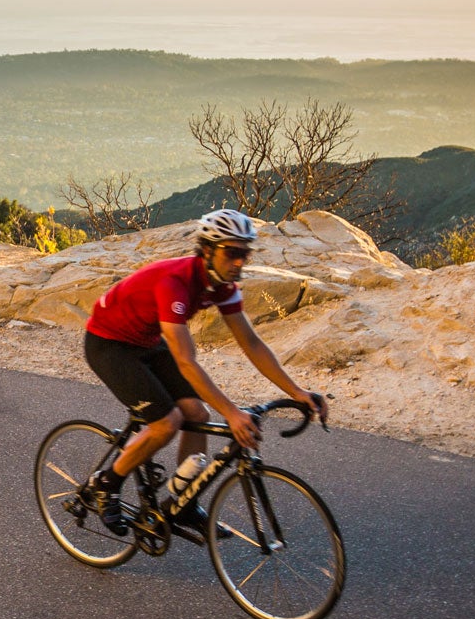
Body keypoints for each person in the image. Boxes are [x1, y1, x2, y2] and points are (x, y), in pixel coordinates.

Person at [82, 208, 329, 532]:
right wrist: (230, 412)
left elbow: (251, 344)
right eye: (233, 252)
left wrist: (296, 391)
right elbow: (186, 361)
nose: (240, 261)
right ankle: (106, 483)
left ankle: (181, 503)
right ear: (209, 250)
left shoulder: (223, 285)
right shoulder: (176, 282)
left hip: (146, 339)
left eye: (245, 253)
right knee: (166, 423)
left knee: (196, 416)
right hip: (109, 343)